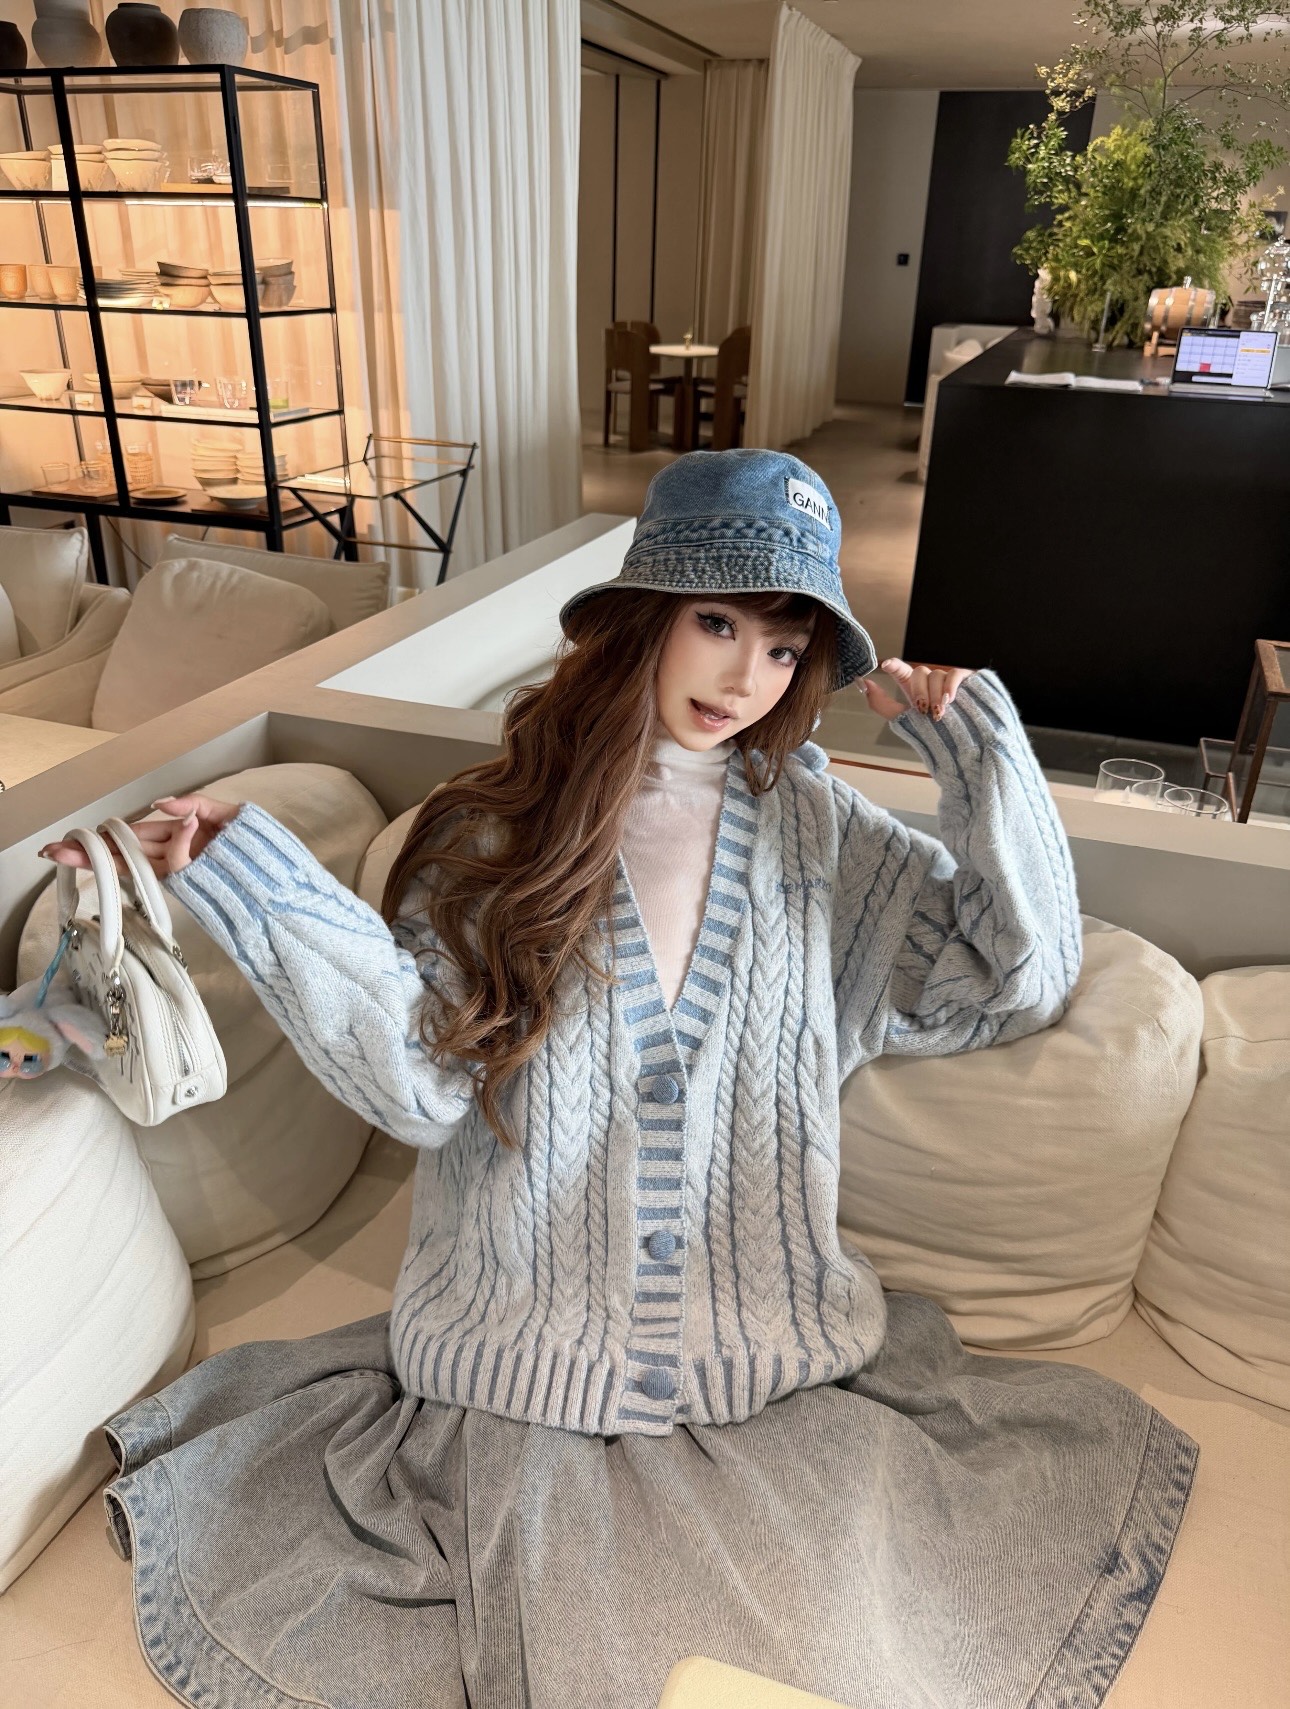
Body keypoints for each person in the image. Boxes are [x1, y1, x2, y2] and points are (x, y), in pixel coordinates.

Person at [38, 450, 1196, 1709]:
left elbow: (1011, 978)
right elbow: (423, 1083)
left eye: (784, 644)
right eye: (718, 623)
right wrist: (252, 874)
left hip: (765, 1369)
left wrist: (977, 756)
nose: (746, 677)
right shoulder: (491, 830)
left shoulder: (820, 835)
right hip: (522, 1374)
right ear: (643, 615)